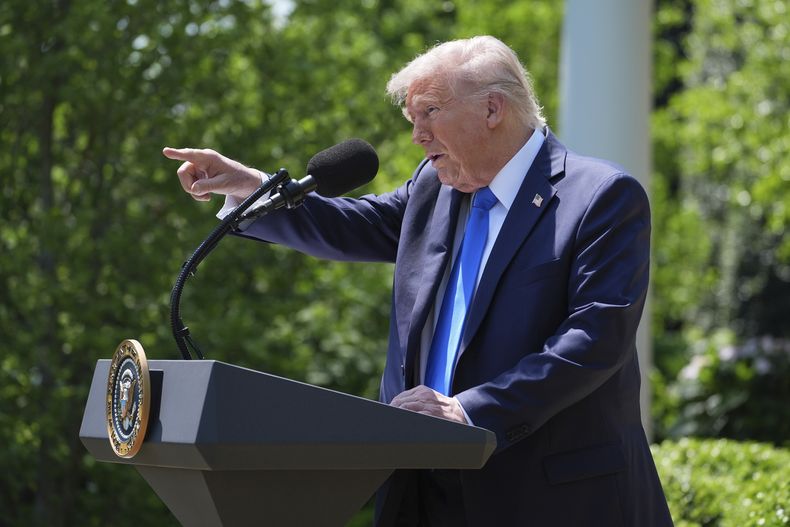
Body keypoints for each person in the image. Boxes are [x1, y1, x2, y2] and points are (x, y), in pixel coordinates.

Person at [164, 36, 672, 526]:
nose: (417, 135)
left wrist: (468, 412)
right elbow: (349, 224)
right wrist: (249, 188)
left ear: (492, 109)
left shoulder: (600, 197)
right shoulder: (435, 187)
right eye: (412, 119)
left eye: (429, 112)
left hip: (550, 496)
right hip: (423, 493)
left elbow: (593, 342)